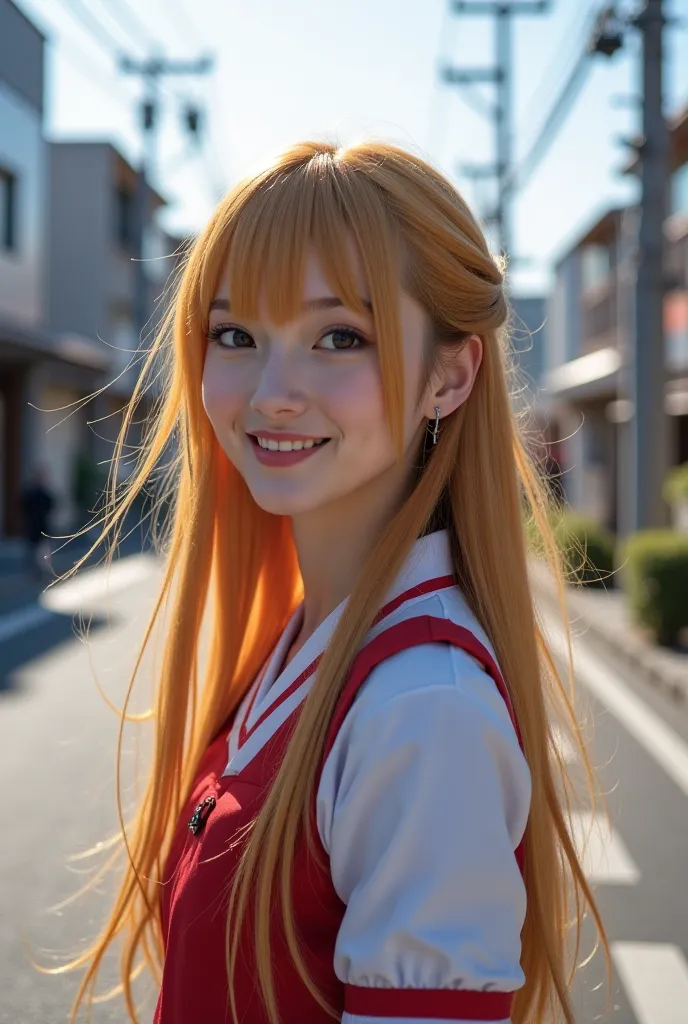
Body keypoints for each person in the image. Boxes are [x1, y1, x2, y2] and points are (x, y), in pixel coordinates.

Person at [57, 141, 608, 1023]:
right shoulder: (308, 643)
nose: (273, 391)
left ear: (449, 376)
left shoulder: (425, 709)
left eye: (339, 337)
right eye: (236, 335)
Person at [20, 462, 55, 581]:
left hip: (42, 527)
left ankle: (41, 571)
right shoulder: (31, 494)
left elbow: (51, 507)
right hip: (33, 526)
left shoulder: (45, 495)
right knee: (32, 550)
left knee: (42, 551)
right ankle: (34, 571)